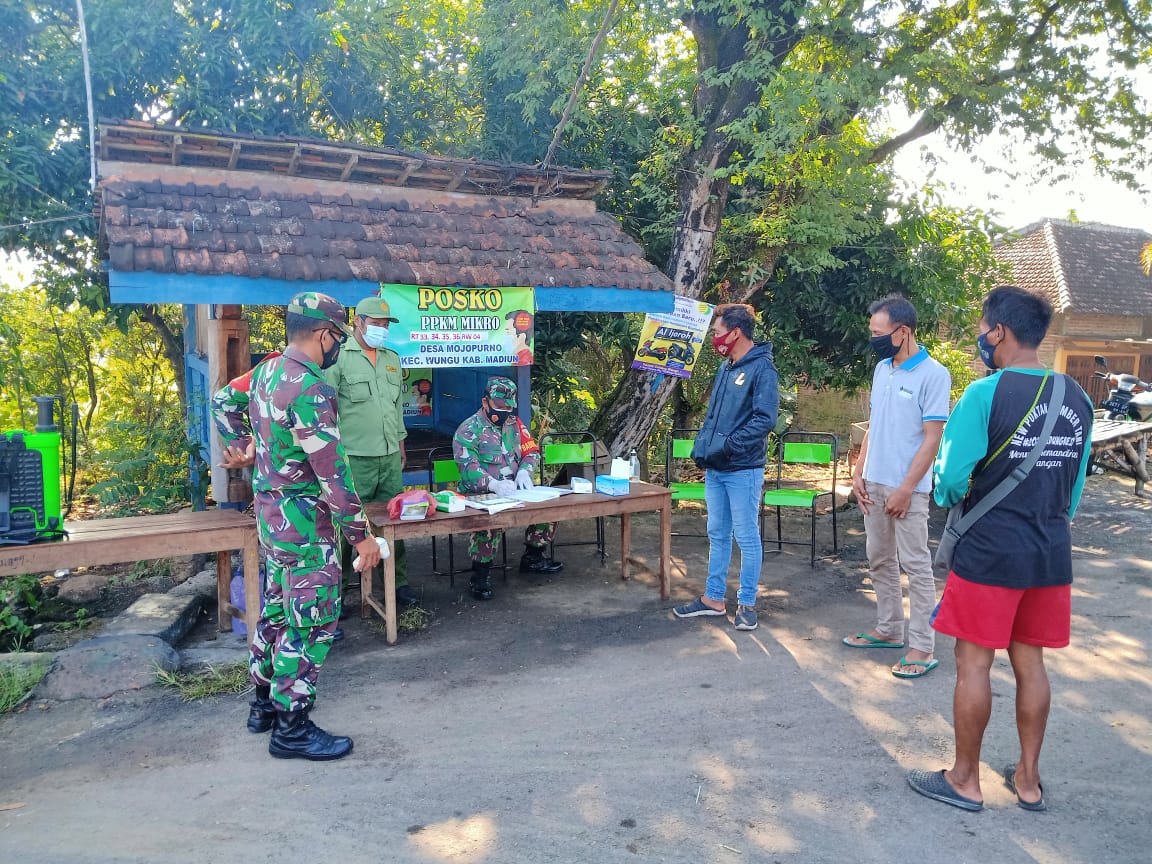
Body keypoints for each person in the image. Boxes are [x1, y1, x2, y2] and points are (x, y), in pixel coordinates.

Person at [907, 285, 1093, 812]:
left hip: (990, 552)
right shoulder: (1077, 397)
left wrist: (948, 489)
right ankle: (1029, 781)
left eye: (984, 328)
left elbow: (950, 478)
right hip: (1050, 551)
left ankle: (965, 778)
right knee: (1030, 663)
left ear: (1000, 332)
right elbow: (1074, 489)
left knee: (974, 665)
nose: (981, 337)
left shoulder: (984, 394)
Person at [212, 291, 381, 761]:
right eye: (336, 340)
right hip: (306, 527)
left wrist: (241, 445)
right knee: (312, 621)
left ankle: (262, 705)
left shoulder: (266, 373)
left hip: (272, 521)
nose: (335, 349)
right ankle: (292, 726)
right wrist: (361, 536)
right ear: (325, 335)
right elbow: (333, 474)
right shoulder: (309, 389)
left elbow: (223, 400)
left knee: (277, 610)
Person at [843, 295, 951, 678]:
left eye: (878, 332)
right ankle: (888, 629)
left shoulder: (934, 375)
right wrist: (859, 470)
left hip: (909, 490)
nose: (873, 337)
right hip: (874, 482)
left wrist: (907, 488)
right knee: (880, 559)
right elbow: (875, 424)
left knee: (916, 566)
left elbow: (932, 438)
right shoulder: (882, 369)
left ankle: (922, 645)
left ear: (903, 331)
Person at [672, 303, 778, 632]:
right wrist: (705, 449)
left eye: (718, 333)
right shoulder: (726, 368)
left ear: (736, 333)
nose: (714, 339)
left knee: (746, 537)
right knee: (717, 533)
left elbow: (765, 420)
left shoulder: (763, 369)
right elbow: (714, 418)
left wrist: (729, 446)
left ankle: (747, 603)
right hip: (716, 469)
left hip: (743, 469)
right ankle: (713, 599)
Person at [323, 295, 418, 609]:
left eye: (385, 325)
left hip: (389, 456)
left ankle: (397, 582)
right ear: (358, 323)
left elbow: (396, 408)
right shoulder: (338, 359)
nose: (381, 330)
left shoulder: (391, 358)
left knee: (393, 521)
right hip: (354, 458)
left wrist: (401, 446)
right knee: (348, 525)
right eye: (375, 324)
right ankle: (338, 590)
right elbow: (326, 409)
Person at [452, 376, 561, 600]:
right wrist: (492, 484)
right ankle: (480, 576)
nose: (504, 411)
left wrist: (524, 471)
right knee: (488, 524)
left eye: (509, 406)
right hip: (480, 494)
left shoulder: (515, 424)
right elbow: (467, 467)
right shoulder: (468, 429)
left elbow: (531, 452)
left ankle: (533, 557)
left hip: (516, 490)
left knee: (549, 509)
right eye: (499, 406)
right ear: (485, 402)